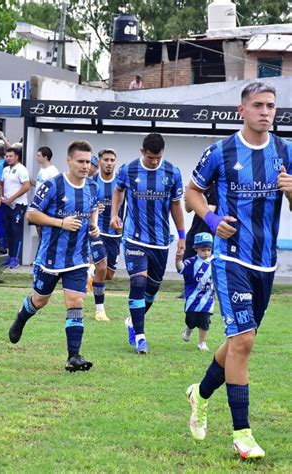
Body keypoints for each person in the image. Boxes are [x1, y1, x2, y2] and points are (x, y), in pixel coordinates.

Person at [184, 81, 292, 459]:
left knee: (235, 342)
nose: (266, 112)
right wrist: (212, 220)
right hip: (229, 257)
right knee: (244, 341)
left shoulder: (285, 152)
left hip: (265, 261)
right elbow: (191, 192)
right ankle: (242, 434)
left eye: (271, 106)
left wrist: (291, 190)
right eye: (258, 105)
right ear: (241, 110)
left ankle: (199, 393)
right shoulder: (221, 151)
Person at [8, 140, 99, 372]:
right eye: (80, 161)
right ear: (68, 161)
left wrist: (94, 225)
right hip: (51, 257)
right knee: (40, 301)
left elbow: (94, 208)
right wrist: (60, 222)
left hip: (78, 258)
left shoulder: (91, 187)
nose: (85, 166)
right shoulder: (52, 185)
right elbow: (32, 214)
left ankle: (74, 357)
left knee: (75, 301)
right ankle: (22, 316)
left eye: (88, 162)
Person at [110, 133, 185, 354]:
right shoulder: (128, 169)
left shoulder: (173, 172)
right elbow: (118, 190)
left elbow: (176, 205)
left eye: (158, 157)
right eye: (151, 157)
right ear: (142, 151)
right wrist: (115, 214)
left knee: (151, 292)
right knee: (139, 285)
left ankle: (132, 322)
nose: (154, 161)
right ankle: (141, 338)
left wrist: (182, 236)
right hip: (134, 237)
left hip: (161, 242)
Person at [88, 148, 124, 322]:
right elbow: (83, 205)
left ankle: (90, 273)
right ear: (99, 162)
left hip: (115, 235)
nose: (109, 163)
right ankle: (99, 310)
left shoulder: (120, 183)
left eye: (112, 160)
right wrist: (93, 211)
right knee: (101, 268)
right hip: (97, 232)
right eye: (106, 160)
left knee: (108, 275)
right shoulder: (92, 182)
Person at [175, 232, 214, 351]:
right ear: (196, 249)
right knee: (191, 320)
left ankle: (202, 343)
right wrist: (178, 260)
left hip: (208, 300)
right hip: (193, 299)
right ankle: (189, 329)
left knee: (204, 322)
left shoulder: (214, 262)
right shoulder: (191, 262)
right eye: (203, 250)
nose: (206, 252)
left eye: (208, 249)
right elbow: (181, 268)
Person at [0, 147, 30, 268]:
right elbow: (1, 183)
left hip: (18, 204)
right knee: (8, 230)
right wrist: (1, 196)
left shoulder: (21, 169)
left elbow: (26, 186)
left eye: (10, 156)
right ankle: (10, 255)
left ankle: (15, 258)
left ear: (17, 156)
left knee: (16, 230)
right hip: (7, 203)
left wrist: (12, 198)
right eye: (6, 156)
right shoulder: (6, 169)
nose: (8, 158)